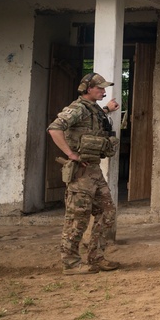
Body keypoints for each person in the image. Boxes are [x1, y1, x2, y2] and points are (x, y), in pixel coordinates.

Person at [47, 72, 120, 275]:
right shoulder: (77, 108)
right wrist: (71, 154)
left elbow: (92, 122)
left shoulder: (93, 109)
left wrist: (108, 110)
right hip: (80, 173)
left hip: (94, 171)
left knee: (107, 212)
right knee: (77, 217)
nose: (103, 91)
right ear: (88, 89)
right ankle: (70, 263)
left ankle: (96, 256)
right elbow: (54, 129)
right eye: (100, 88)